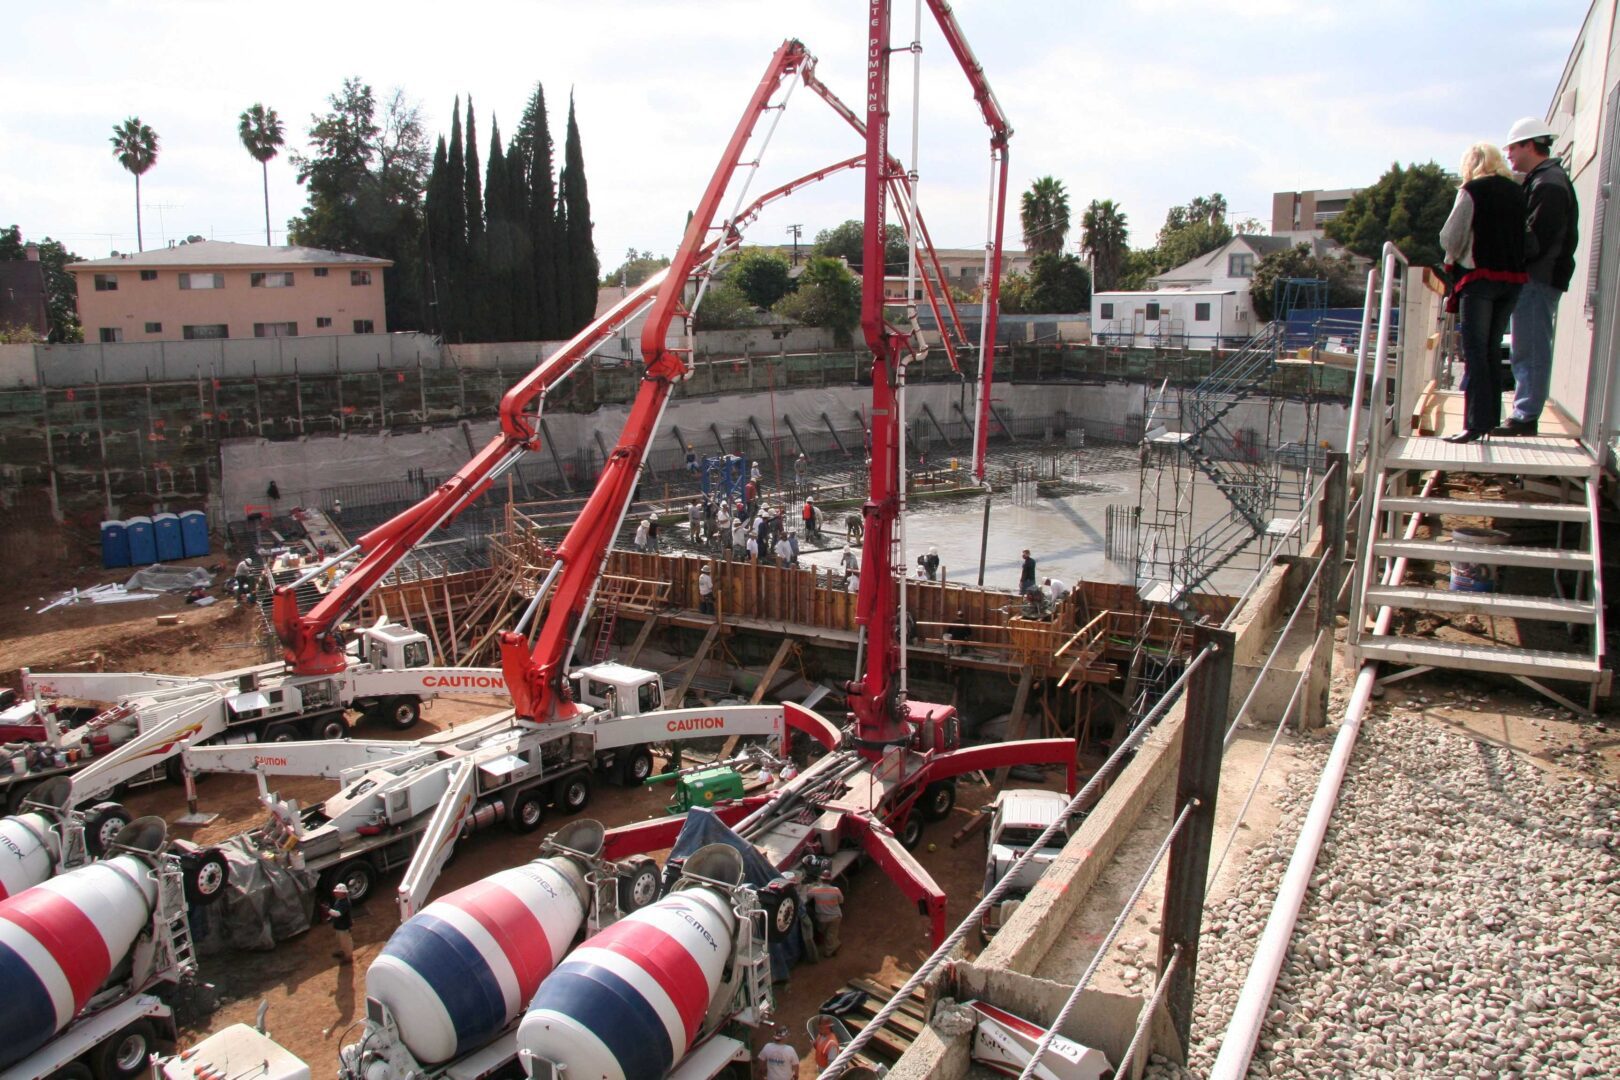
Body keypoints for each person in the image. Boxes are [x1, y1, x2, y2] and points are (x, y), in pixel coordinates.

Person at [1438, 140, 1529, 443]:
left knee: (1475, 352)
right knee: (1490, 350)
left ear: (1472, 164)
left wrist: (1454, 259)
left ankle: (1475, 424)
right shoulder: (1518, 193)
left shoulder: (1472, 191)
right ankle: (1489, 421)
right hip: (1513, 280)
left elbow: (1451, 237)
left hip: (1479, 279)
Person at [1501, 117, 1579, 437]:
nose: (1509, 156)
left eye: (1512, 149)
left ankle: (1525, 415)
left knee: (1530, 345)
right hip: (1541, 275)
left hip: (1538, 276)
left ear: (1529, 145)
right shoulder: (1547, 179)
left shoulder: (1548, 183)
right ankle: (1525, 410)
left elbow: (1537, 238)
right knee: (1528, 344)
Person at [807, 866, 844, 956]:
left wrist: (809, 887)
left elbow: (808, 896)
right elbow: (841, 901)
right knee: (831, 934)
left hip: (821, 918)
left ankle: (832, 944)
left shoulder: (815, 890)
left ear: (821, 879)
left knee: (826, 932)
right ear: (830, 879)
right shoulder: (836, 890)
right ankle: (829, 952)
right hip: (835, 916)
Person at [328, 882, 354, 963]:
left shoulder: (345, 903)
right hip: (339, 926)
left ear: (342, 893)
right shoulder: (339, 900)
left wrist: (328, 910)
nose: (335, 893)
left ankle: (348, 957)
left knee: (346, 942)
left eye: (337, 892)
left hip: (344, 927)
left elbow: (338, 914)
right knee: (340, 940)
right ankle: (343, 952)